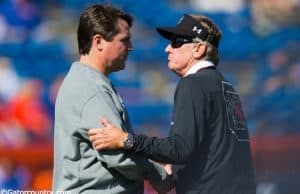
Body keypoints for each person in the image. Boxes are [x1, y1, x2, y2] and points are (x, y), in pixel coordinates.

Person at [89, 14, 257, 194]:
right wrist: (177, 169)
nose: (167, 49)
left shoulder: (193, 84)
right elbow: (207, 148)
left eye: (177, 42)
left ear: (198, 49)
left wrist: (126, 140)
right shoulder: (225, 86)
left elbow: (179, 149)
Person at [52, 4, 171, 194]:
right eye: (124, 40)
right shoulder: (90, 89)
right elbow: (117, 155)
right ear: (98, 41)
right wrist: (159, 174)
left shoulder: (85, 81)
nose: (130, 48)